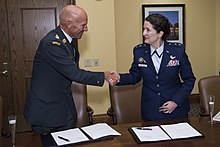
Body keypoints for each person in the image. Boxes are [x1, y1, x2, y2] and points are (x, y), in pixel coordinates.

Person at [23, 5, 117, 147]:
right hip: (47, 113)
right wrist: (103, 75)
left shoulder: (67, 41)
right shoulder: (52, 43)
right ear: (69, 24)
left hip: (63, 108)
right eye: (84, 25)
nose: (86, 29)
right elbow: (74, 73)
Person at [112, 14, 196, 121]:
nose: (144, 33)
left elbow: (189, 80)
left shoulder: (177, 51)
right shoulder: (139, 51)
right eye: (144, 29)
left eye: (148, 30)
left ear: (160, 33)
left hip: (175, 109)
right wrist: (119, 78)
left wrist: (176, 101)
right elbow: (135, 76)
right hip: (151, 109)